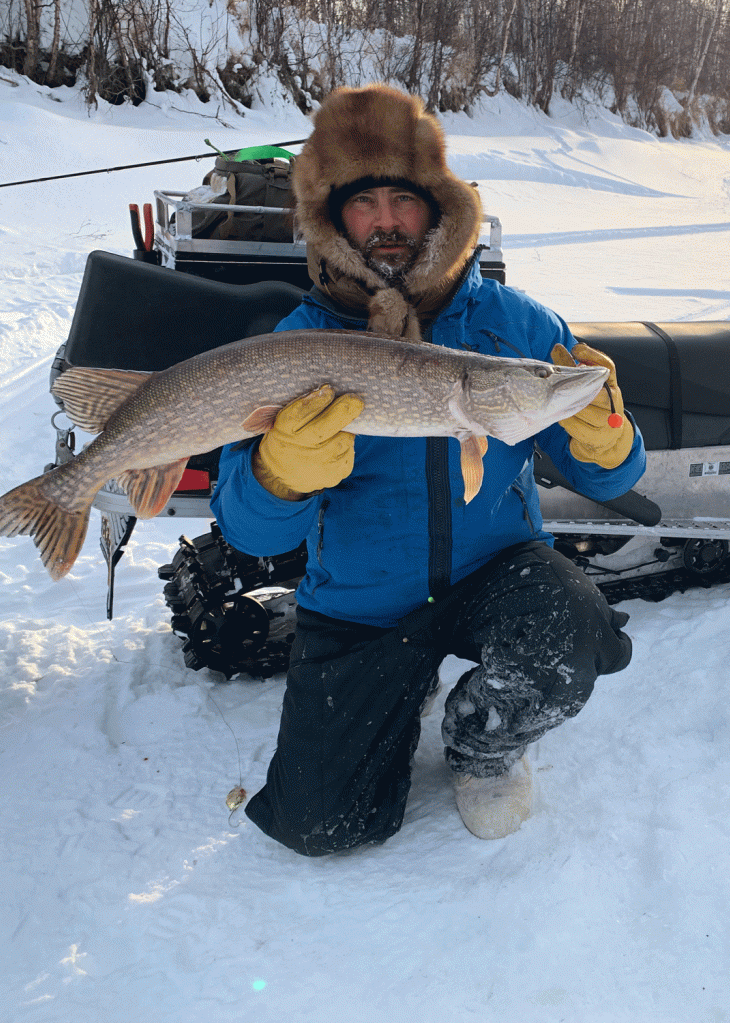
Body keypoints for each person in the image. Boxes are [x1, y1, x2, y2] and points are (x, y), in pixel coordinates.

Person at [210, 83, 645, 856]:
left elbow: (608, 480)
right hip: (364, 603)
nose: (386, 222)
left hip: (495, 571)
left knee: (573, 628)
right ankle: (398, 691)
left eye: (403, 200)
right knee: (319, 826)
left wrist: (610, 440)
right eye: (364, 202)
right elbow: (244, 527)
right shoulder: (303, 338)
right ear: (334, 219)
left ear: (437, 205)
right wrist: (279, 472)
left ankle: (483, 744)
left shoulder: (517, 325)